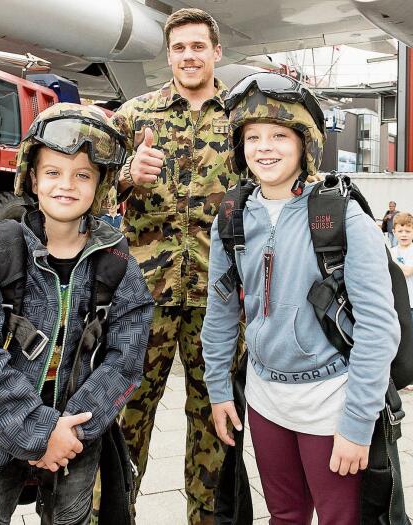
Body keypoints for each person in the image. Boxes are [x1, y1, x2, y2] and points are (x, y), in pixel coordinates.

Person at [202, 73, 400, 525]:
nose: (264, 148)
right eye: (252, 137)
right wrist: (218, 388)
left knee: (339, 518)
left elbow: (378, 325)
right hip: (265, 394)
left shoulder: (341, 215)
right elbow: (221, 311)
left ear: (304, 143)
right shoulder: (231, 216)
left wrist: (357, 421)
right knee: (285, 515)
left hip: (331, 395)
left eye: (278, 135)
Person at [0, 103, 154, 525]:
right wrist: (40, 431)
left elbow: (125, 361)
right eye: (54, 172)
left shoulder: (117, 263)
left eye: (83, 175)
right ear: (33, 178)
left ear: (100, 185)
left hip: (78, 435)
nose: (67, 186)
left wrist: (67, 434)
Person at [111, 8, 238, 523]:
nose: (189, 56)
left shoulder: (244, 117)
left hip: (221, 301)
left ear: (216, 52)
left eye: (198, 46)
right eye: (179, 48)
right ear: (168, 54)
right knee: (123, 421)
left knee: (217, 428)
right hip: (143, 299)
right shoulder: (134, 116)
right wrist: (124, 176)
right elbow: (81, 192)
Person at [391, 212, 413, 391]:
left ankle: (411, 377)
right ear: (394, 232)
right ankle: (398, 373)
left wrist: (391, 263)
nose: (404, 234)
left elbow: (408, 271)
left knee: (411, 341)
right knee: (397, 340)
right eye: (400, 230)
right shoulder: (393, 251)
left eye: (408, 231)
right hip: (398, 303)